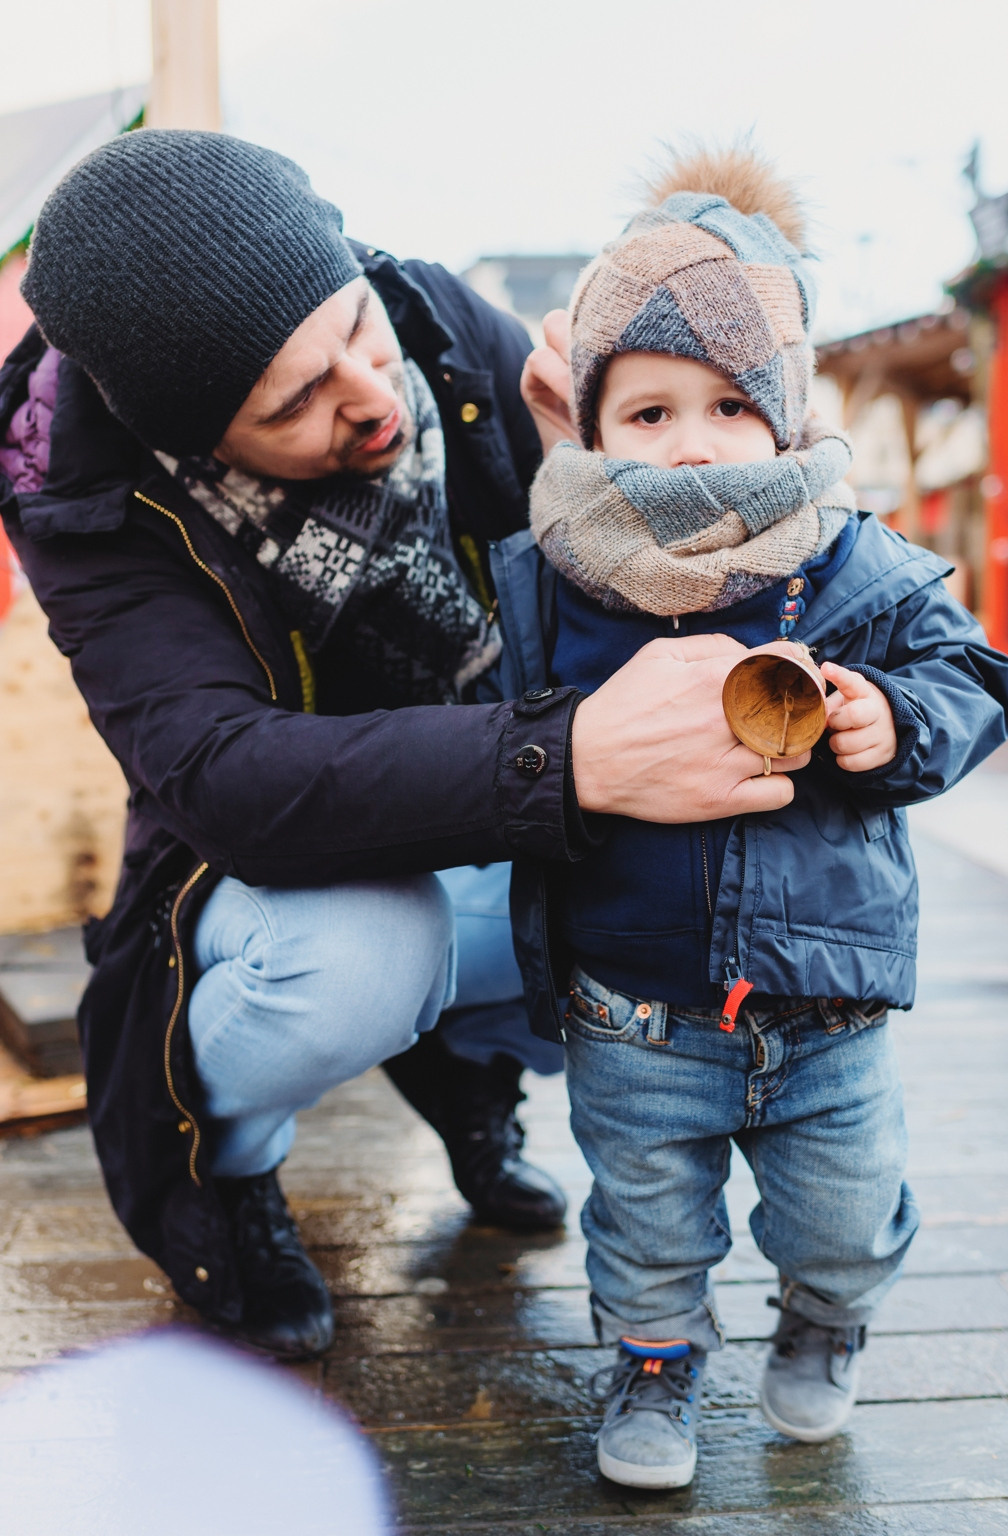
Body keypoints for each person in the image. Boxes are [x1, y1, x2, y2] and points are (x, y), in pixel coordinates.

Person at [0, 130, 799, 1363]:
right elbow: (226, 779)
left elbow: (627, 567)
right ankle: (234, 1169)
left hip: (489, 780)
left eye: (355, 338)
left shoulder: (426, 318)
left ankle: (466, 1072)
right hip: (254, 876)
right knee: (371, 954)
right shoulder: (93, 502)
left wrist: (589, 477)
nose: (370, 397)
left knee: (653, 890)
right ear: (195, 438)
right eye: (295, 403)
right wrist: (574, 759)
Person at [488, 147, 1008, 1488]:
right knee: (647, 1218)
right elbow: (498, 731)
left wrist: (894, 724)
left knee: (835, 1219)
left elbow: (975, 675)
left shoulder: (856, 561)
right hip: (638, 1006)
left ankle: (828, 1313)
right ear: (591, 425)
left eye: (730, 404)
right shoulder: (556, 573)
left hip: (825, 1010)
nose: (691, 442)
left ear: (786, 415)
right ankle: (654, 1364)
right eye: (648, 411)